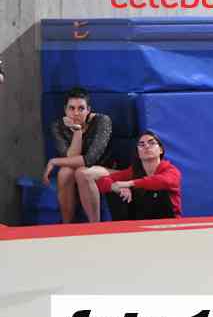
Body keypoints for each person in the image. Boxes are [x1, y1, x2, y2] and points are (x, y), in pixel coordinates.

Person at [43, 86, 113, 223]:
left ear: (88, 110)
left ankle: (95, 226)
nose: (76, 113)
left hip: (106, 168)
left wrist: (54, 161)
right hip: (78, 168)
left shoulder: (102, 121)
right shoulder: (58, 126)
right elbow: (70, 158)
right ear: (65, 110)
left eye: (81, 108)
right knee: (65, 172)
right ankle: (67, 226)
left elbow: (90, 160)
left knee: (82, 172)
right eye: (71, 108)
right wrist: (77, 131)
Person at [85, 130, 181, 221]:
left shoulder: (171, 170)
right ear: (138, 153)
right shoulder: (133, 171)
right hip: (140, 224)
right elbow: (101, 182)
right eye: (141, 144)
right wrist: (114, 187)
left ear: (160, 150)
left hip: (169, 224)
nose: (147, 146)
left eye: (151, 143)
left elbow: (163, 181)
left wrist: (129, 183)